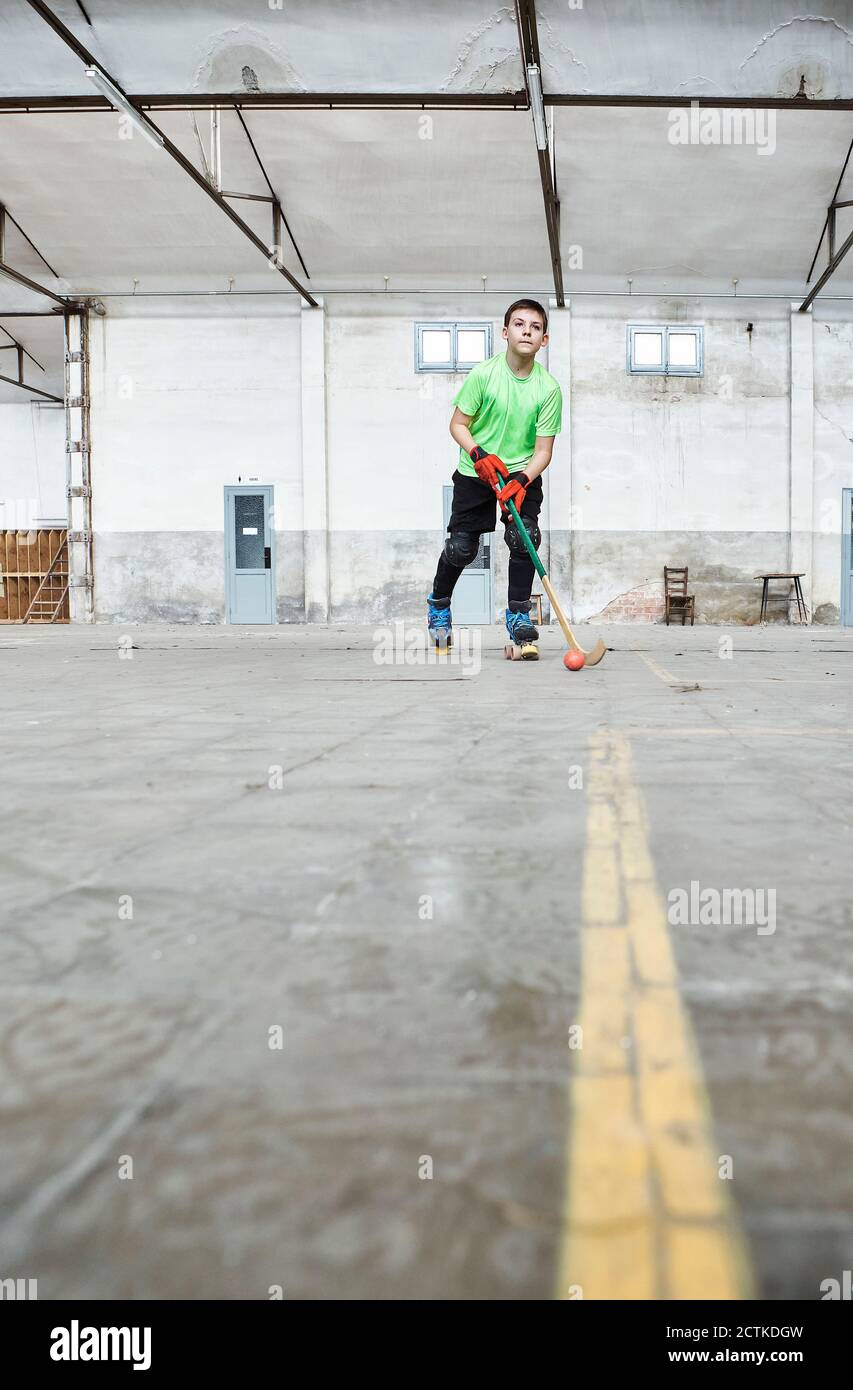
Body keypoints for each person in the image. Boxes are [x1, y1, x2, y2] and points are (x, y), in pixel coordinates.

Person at [427, 298, 563, 654]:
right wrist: (478, 454)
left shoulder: (549, 389)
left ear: (544, 339)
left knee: (524, 538)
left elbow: (544, 451)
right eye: (519, 324)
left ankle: (518, 615)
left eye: (535, 327)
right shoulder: (483, 375)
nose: (527, 331)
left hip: (520, 473)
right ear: (505, 332)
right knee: (461, 548)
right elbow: (457, 424)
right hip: (476, 471)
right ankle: (439, 606)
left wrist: (522, 480)